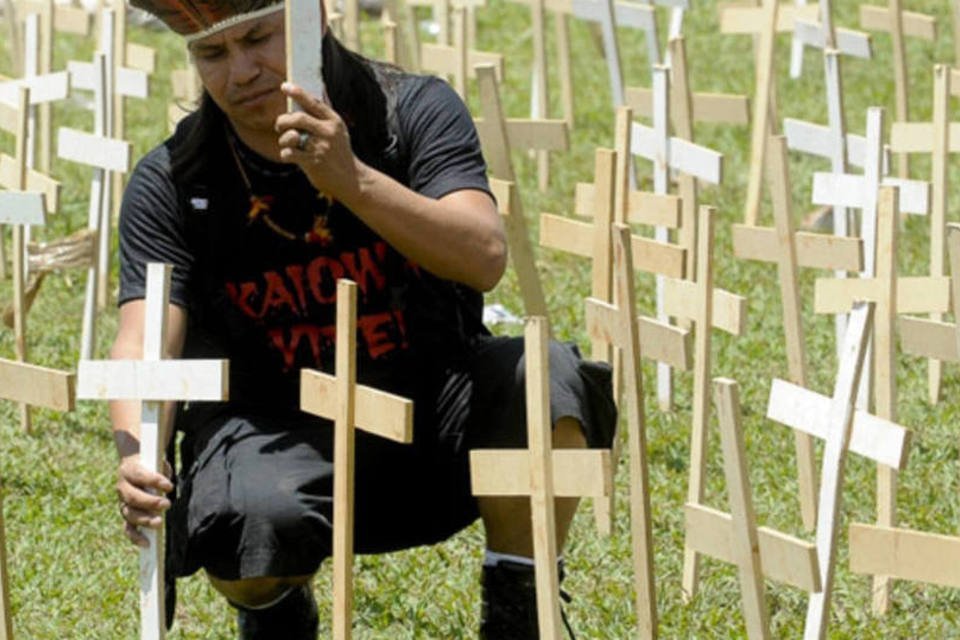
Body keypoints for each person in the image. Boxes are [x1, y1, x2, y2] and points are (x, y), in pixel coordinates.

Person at [110, 0, 616, 636]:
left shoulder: (410, 111)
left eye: (259, 38)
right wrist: (139, 454)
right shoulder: (174, 178)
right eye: (213, 53)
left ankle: (518, 599)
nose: (241, 71)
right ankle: (274, 611)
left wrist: (351, 178)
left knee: (545, 381)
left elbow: (484, 255)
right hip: (275, 436)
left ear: (314, 18)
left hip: (433, 416)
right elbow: (145, 338)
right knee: (240, 514)